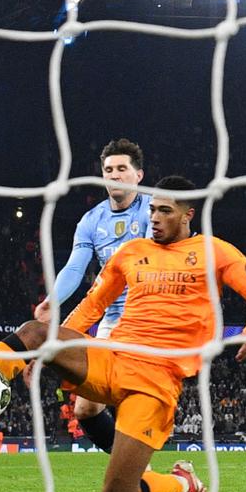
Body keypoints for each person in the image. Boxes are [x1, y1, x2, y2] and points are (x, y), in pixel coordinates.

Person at [0, 175, 246, 492]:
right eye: (152, 211)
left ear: (187, 214)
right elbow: (93, 304)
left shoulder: (214, 251)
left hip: (157, 382)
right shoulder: (132, 252)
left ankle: (183, 482)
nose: (155, 219)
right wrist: (45, 351)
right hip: (112, 357)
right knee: (35, 330)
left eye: (165, 211)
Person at [32, 138, 151, 454]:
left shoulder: (155, 210)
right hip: (113, 323)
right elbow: (74, 268)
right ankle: (142, 474)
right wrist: (52, 301)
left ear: (138, 174)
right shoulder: (91, 221)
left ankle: (136, 473)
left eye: (122, 169)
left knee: (129, 398)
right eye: (108, 169)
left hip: (149, 321)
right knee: (86, 410)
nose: (114, 175)